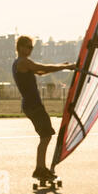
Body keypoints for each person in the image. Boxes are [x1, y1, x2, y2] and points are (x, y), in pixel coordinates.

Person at [12, 36, 76, 179]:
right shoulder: (23, 62)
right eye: (28, 47)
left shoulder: (22, 63)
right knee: (46, 136)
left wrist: (61, 65)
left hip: (32, 104)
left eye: (31, 47)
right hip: (32, 105)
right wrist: (65, 67)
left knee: (45, 136)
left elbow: (40, 72)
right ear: (20, 47)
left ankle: (40, 168)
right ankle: (40, 169)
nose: (30, 50)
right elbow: (42, 68)